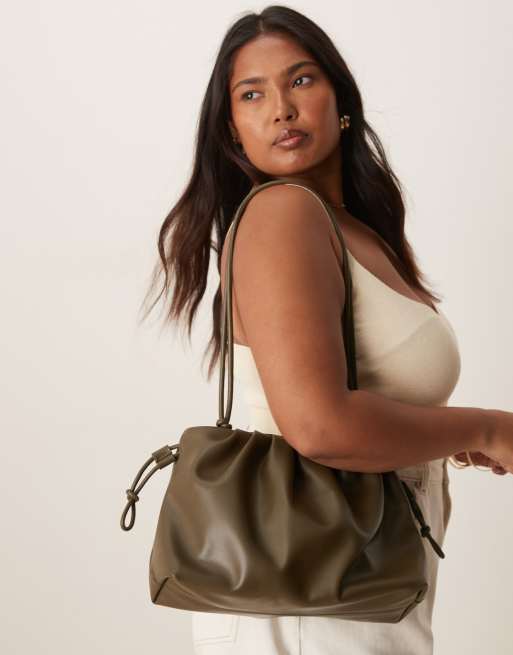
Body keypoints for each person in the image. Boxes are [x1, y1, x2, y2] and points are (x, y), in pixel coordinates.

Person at [140, 6, 513, 654]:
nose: (281, 109)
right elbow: (318, 425)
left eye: (301, 80)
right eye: (251, 94)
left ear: (340, 100)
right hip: (303, 599)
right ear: (232, 131)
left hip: (350, 584)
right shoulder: (283, 216)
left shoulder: (350, 227)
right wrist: (483, 429)